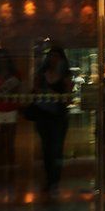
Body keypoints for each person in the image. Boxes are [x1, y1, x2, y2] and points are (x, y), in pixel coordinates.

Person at [32, 45, 73, 198]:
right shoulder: (42, 74)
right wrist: (43, 93)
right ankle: (49, 180)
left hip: (59, 117)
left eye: (57, 56)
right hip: (43, 115)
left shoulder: (65, 76)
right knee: (46, 149)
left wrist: (54, 94)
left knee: (56, 149)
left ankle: (54, 181)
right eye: (51, 56)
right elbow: (34, 92)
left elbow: (68, 98)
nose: (53, 59)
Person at [0, 48, 21, 194]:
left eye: (4, 58)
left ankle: (11, 176)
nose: (2, 61)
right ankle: (1, 175)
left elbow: (19, 91)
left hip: (11, 110)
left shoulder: (15, 75)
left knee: (10, 145)